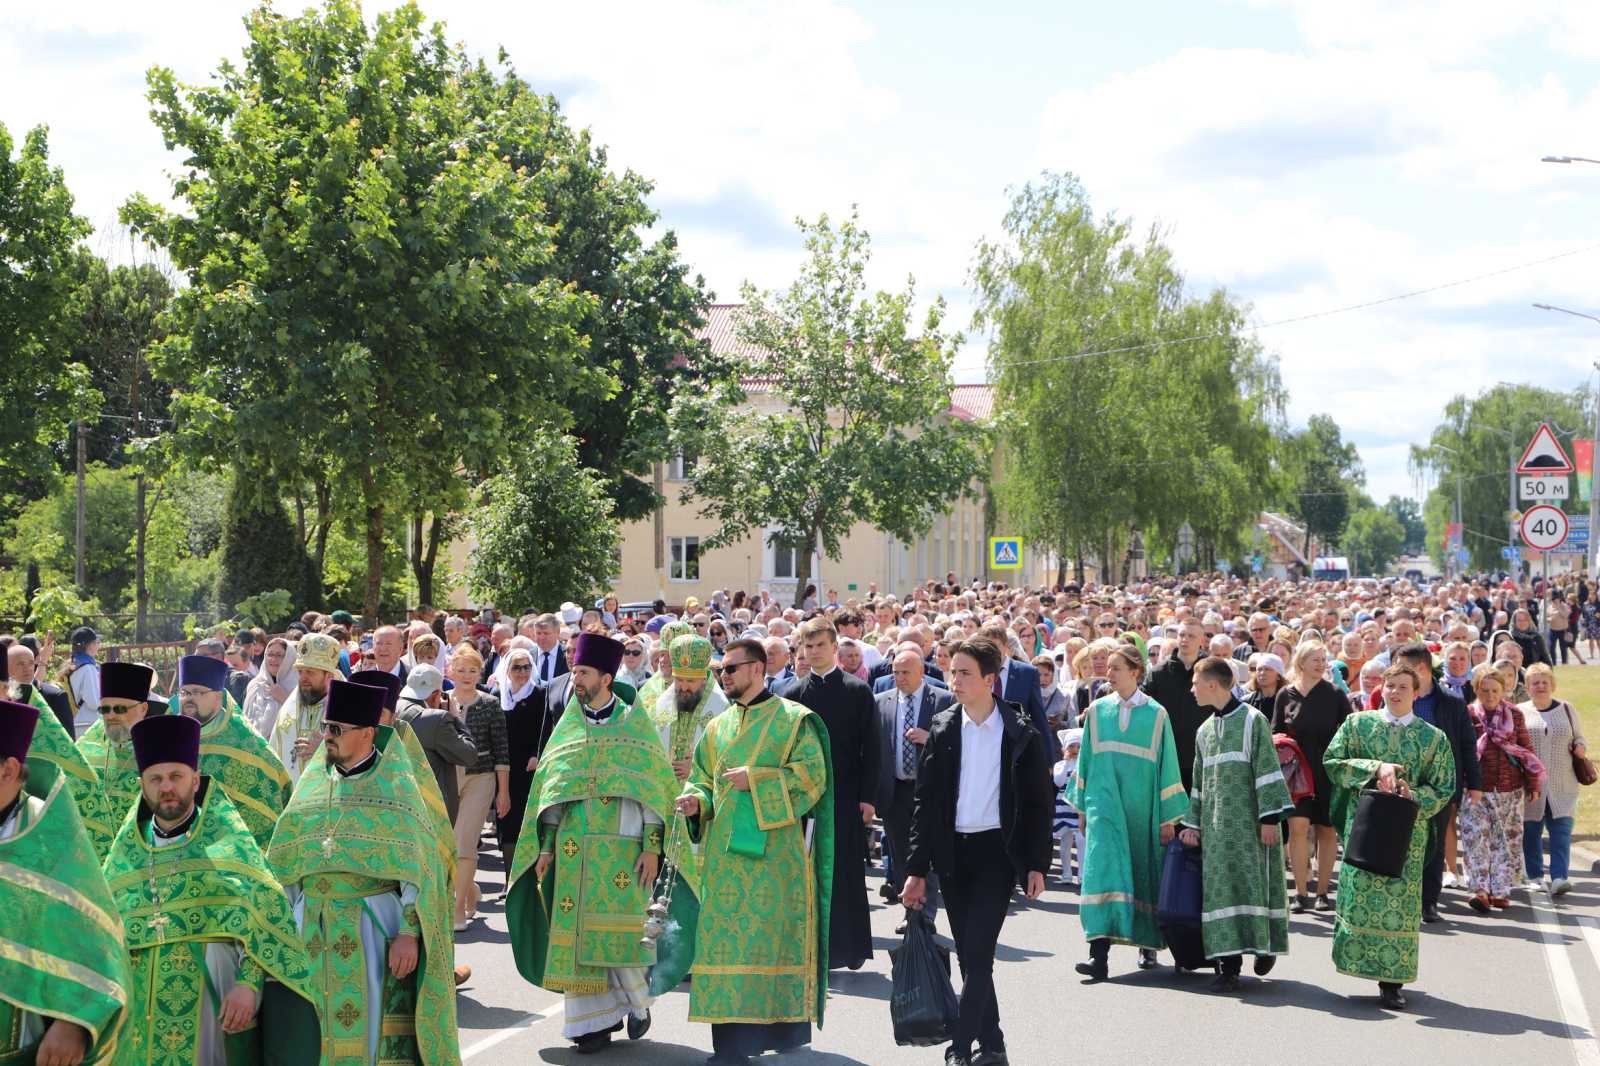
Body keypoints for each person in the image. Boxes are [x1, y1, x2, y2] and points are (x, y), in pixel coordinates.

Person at [103, 714, 320, 1065]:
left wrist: (249, 985)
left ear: (195, 779)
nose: (167, 787)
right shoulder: (124, 857)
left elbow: (269, 924)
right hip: (141, 1020)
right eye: (156, 779)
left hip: (214, 1008)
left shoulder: (229, 846)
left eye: (176, 776)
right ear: (142, 784)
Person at [267, 679, 459, 1063]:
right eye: (325, 727)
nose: (326, 737)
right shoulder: (313, 784)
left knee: (367, 1030)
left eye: (336, 730)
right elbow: (284, 866)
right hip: (312, 926)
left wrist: (408, 932)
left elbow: (418, 871)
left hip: (369, 928)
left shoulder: (395, 788)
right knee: (312, 1032)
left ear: (368, 733)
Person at [505, 633, 676, 1055]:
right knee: (579, 936)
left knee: (619, 938)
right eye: (574, 671)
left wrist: (652, 847)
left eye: (582, 672)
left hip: (623, 847)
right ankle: (590, 1026)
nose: (575, 679)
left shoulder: (634, 724)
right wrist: (544, 847)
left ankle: (637, 1004)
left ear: (605, 676)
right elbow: (552, 792)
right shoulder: (570, 725)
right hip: (573, 849)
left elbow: (654, 792)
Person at [673, 637, 834, 1066]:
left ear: (758, 669)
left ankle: (771, 1037)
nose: (722, 677)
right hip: (723, 863)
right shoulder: (718, 726)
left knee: (765, 947)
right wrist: (695, 802)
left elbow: (812, 778)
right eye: (720, 671)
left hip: (774, 863)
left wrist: (760, 778)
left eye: (730, 669)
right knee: (724, 949)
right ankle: (728, 1049)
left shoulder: (794, 720)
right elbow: (703, 781)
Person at [902, 636, 1052, 1066]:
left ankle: (961, 1046)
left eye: (965, 673)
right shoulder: (945, 726)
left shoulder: (1019, 732)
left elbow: (1039, 804)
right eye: (952, 671)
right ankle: (995, 1044)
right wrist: (916, 869)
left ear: (990, 680)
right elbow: (925, 805)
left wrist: (1037, 864)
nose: (955, 680)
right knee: (971, 958)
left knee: (980, 954)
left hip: (997, 856)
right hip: (954, 856)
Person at [0, 698, 131, 1065]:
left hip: (24, 1035)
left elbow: (95, 939)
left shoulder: (48, 834)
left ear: (9, 769)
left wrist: (73, 1023)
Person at [1324, 662, 1455, 1011]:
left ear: (1416, 693)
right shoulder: (1357, 724)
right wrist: (1373, 768)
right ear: (1382, 688)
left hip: (1407, 834)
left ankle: (1392, 982)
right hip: (1364, 827)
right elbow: (1333, 762)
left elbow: (1443, 786)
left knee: (1401, 905)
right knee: (1361, 896)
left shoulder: (1433, 738)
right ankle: (1357, 963)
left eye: (1403, 687)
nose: (1396, 692)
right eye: (1391, 686)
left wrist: (1413, 797)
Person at [1071, 643, 1188, 980]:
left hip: (1143, 811)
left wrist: (1168, 818)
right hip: (1104, 808)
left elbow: (1168, 767)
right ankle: (1098, 954)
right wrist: (1082, 805)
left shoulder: (1157, 715)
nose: (1108, 674)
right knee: (1101, 871)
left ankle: (1147, 944)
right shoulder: (1096, 712)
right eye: (1107, 668)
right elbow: (1086, 761)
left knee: (1142, 872)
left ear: (1136, 672)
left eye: (1116, 668)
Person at [1178, 657, 1294, 992]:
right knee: (1220, 893)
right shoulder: (1204, 731)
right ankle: (1228, 967)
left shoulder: (1253, 720)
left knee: (1252, 886)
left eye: (1196, 683)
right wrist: (1193, 824)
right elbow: (1199, 783)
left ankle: (1263, 945)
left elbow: (1267, 768)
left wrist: (1270, 818)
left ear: (1212, 684)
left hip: (1250, 826)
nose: (1192, 689)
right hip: (1215, 831)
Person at [780, 616, 880, 971]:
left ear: (835, 647)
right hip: (805, 803)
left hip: (845, 798)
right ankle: (809, 949)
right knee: (806, 874)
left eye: (821, 645)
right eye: (808, 646)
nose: (814, 652)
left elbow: (872, 747)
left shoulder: (857, 690)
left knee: (846, 872)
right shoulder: (791, 695)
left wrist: (868, 798)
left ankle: (850, 948)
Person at [1391, 641, 1481, 924]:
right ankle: (1399, 897)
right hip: (1400, 782)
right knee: (1397, 840)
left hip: (1439, 785)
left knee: (1434, 842)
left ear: (1421, 669)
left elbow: (1467, 744)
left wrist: (1474, 783)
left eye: (1403, 667)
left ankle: (1428, 901)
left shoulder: (1452, 703)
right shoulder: (1395, 698)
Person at [175, 653, 293, 851]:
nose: (188, 699)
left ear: (218, 696)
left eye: (197, 692)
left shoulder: (245, 742)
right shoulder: (170, 736)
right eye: (184, 693)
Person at [649, 633, 730, 913]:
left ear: (705, 678)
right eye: (679, 680)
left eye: (690, 682)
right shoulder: (661, 705)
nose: (682, 688)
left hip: (704, 813)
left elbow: (730, 762)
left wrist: (694, 770)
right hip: (667, 804)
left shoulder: (721, 711)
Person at [875, 644, 952, 927]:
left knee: (925, 852)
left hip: (926, 790)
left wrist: (930, 737)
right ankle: (910, 911)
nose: (901, 677)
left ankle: (926, 913)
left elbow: (957, 743)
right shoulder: (881, 701)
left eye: (906, 672)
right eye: (896, 672)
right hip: (894, 790)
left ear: (922, 671)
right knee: (899, 853)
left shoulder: (943, 699)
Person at [1270, 641, 1348, 913]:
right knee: (1298, 829)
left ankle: (1323, 892)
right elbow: (1275, 732)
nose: (1320, 662)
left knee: (1327, 830)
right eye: (1314, 658)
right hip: (1295, 775)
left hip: (1328, 772)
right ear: (1300, 662)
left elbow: (1348, 731)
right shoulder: (1285, 694)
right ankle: (1300, 892)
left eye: (1323, 658)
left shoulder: (1335, 694)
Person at [1461, 663, 1545, 913]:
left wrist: (1533, 782)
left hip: (1510, 788)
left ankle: (1500, 890)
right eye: (1484, 690)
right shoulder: (1468, 714)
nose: (1490, 696)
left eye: (1495, 690)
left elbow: (1526, 749)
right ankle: (1480, 890)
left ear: (1504, 690)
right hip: (1476, 788)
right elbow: (1464, 751)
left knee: (1505, 841)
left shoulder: (1514, 714)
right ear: (1476, 689)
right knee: (1476, 839)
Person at [442, 649, 511, 931]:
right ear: (451, 673)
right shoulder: (441, 701)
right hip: (447, 776)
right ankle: (471, 891)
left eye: (472, 670)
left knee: (464, 843)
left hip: (480, 778)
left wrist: (503, 792)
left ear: (480, 674)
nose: (467, 676)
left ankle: (458, 909)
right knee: (447, 843)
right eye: (461, 670)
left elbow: (502, 751)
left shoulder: (491, 704)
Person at [1519, 662, 1588, 896]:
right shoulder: (1519, 711)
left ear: (1552, 685)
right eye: (1535, 682)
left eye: (1544, 682)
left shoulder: (1567, 709)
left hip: (1563, 784)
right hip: (1531, 786)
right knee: (1531, 832)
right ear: (1528, 686)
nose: (1540, 686)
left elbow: (1580, 738)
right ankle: (1535, 876)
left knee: (1561, 832)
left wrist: (1580, 747)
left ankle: (1560, 877)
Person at [75, 661, 156, 858]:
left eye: (120, 709)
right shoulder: (84, 750)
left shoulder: (159, 751)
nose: (111, 716)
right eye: (104, 709)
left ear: (143, 709)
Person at [1141, 618, 1211, 793]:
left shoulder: (1212, 672)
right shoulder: (1158, 674)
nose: (1185, 639)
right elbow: (1142, 706)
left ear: (1202, 640)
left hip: (1204, 757)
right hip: (1167, 757)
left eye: (1191, 636)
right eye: (1182, 635)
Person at [268, 632, 341, 782]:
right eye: (300, 672)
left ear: (329, 676)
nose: (303, 678)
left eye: (310, 672)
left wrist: (326, 752)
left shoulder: (345, 709)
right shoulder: (288, 709)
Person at [241, 636, 296, 738]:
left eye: (279, 655)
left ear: (289, 658)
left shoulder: (298, 687)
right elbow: (247, 719)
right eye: (270, 654)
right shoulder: (255, 685)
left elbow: (303, 722)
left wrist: (285, 699)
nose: (273, 659)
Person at [1052, 728, 1084, 886]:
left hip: (1078, 808)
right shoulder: (1060, 765)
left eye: (1079, 746)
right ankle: (1066, 873)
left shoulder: (1085, 764)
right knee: (1065, 842)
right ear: (1065, 748)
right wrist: (1067, 765)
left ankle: (1083, 874)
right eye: (1072, 746)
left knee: (1081, 840)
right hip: (1063, 808)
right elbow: (1057, 782)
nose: (1075, 750)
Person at [62, 625, 102, 735]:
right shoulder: (88, 668)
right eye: (97, 642)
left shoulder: (73, 664)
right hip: (88, 725)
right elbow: (94, 703)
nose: (99, 645)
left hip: (76, 721)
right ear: (89, 645)